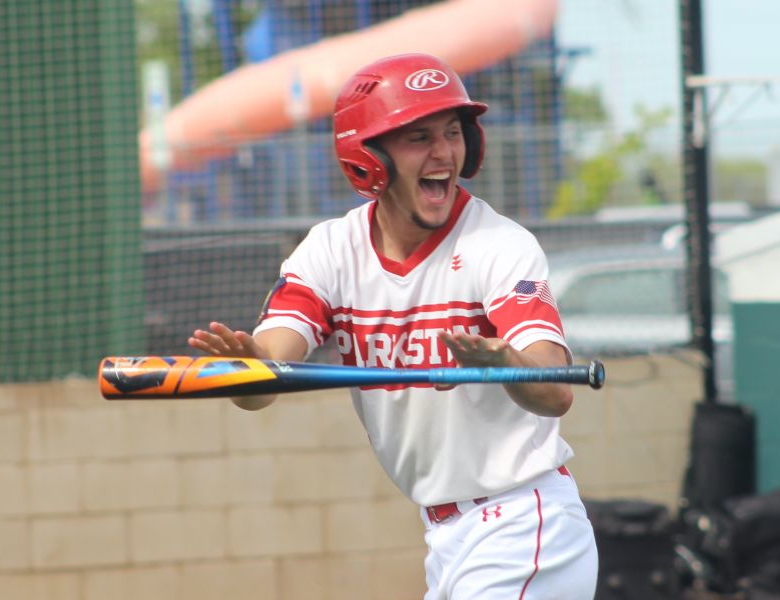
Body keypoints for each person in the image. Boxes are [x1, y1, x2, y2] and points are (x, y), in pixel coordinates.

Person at [188, 53, 598, 599]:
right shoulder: (332, 252)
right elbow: (264, 380)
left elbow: (553, 390)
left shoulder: (499, 247)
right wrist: (248, 366)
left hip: (524, 526)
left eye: (452, 133)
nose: (442, 153)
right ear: (368, 159)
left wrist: (504, 363)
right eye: (418, 137)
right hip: (446, 537)